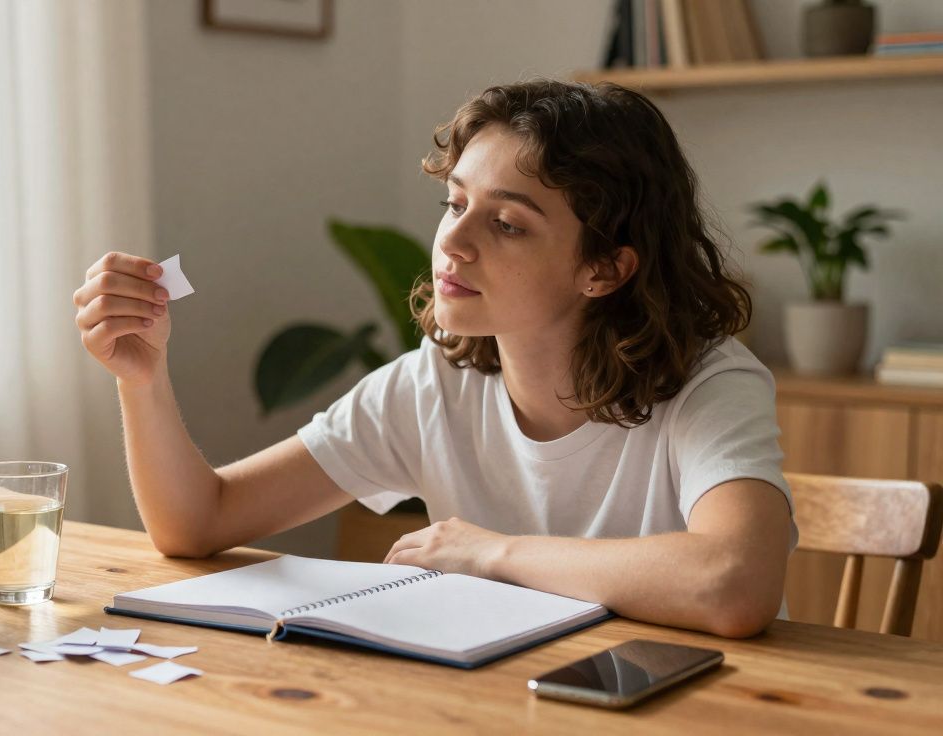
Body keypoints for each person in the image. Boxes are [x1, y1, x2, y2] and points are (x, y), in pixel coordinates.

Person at [73, 79, 797, 639]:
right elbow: (197, 521)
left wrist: (494, 554)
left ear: (604, 270)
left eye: (507, 223)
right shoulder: (434, 385)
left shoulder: (709, 385)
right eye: (455, 204)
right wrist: (143, 378)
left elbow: (732, 582)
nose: (454, 241)